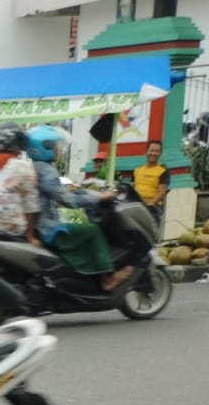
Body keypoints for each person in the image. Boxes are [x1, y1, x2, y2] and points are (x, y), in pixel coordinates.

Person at [25, 125, 130, 292]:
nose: (58, 149)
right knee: (93, 231)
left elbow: (69, 188)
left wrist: (91, 192)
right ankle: (107, 279)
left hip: (39, 225)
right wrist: (99, 197)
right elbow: (67, 200)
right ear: (44, 147)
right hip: (47, 228)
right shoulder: (45, 171)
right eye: (54, 145)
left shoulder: (36, 167)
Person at [128, 140, 171, 222]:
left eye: (157, 151)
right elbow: (131, 188)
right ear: (146, 152)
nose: (154, 153)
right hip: (136, 206)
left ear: (160, 153)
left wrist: (150, 204)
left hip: (153, 208)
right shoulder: (136, 170)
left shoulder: (163, 171)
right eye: (151, 150)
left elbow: (162, 191)